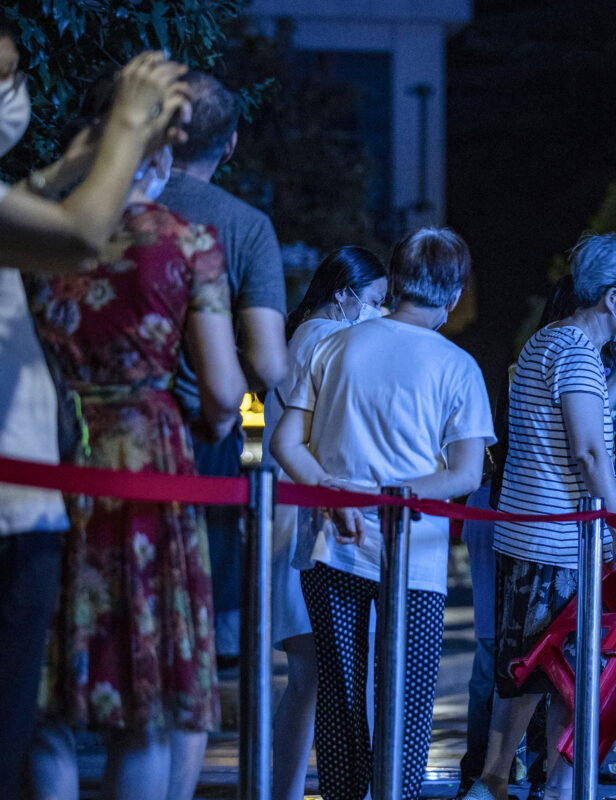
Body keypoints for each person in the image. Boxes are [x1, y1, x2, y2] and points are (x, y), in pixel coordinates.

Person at [25, 68, 244, 800]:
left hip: (47, 448)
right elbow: (220, 389)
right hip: (147, 458)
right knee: (143, 698)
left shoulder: (35, 231)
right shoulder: (188, 242)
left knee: (45, 689)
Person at [0, 46, 193, 799]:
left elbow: (39, 213)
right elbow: (77, 235)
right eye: (6, 73)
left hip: (40, 495)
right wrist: (125, 120)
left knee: (34, 716)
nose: (14, 90)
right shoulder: (187, 245)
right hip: (22, 507)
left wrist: (81, 161)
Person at [271, 228, 493, 800]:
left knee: (342, 698)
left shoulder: (333, 344)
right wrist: (396, 492)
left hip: (333, 545)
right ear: (452, 295)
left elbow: (284, 444)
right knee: (409, 698)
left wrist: (335, 491)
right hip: (414, 557)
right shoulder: (459, 366)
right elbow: (466, 472)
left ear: (394, 282)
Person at [466, 233, 616, 800]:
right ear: (613, 297)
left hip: (528, 530)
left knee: (546, 674)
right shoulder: (574, 352)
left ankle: (545, 783)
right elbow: (590, 452)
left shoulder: (545, 343)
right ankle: (502, 782)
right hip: (554, 540)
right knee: (540, 672)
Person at [158, 70, 288, 665]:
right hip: (215, 432)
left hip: (99, 429)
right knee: (206, 603)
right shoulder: (244, 226)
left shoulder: (99, 209)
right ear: (229, 143)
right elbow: (267, 364)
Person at [260, 246, 388, 800]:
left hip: (299, 514)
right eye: (376, 302)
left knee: (309, 676)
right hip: (311, 520)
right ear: (344, 294)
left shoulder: (306, 336)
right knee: (318, 673)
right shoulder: (322, 340)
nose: (380, 313)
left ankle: (278, 789)